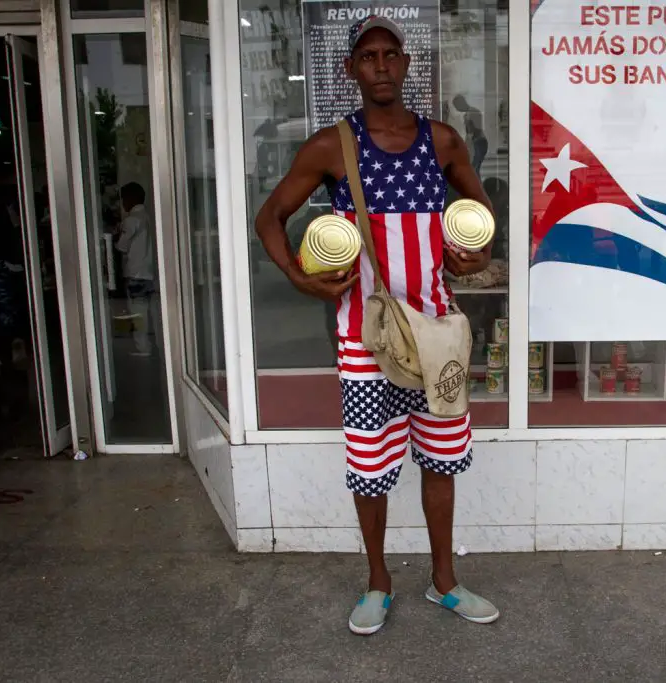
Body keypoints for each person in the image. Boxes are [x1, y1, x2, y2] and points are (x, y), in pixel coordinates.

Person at [254, 16, 499, 635]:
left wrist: (478, 251)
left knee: (441, 459)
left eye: (392, 55)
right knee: (371, 464)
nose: (382, 65)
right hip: (366, 338)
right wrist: (301, 278)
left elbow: (480, 213)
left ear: (407, 64)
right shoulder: (330, 145)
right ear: (352, 70)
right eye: (369, 57)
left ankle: (445, 581)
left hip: (438, 331)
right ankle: (378, 582)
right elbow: (270, 217)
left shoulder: (442, 141)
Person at [115, 182, 159, 357]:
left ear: (130, 199)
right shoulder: (148, 217)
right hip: (150, 272)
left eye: (123, 200)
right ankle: (158, 344)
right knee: (153, 311)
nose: (122, 204)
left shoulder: (131, 220)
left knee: (137, 313)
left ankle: (143, 347)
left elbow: (122, 247)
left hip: (135, 273)